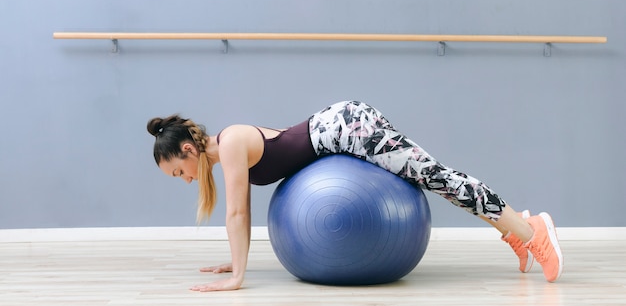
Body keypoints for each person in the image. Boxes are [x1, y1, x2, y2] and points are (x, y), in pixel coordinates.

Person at [147, 100, 563, 292]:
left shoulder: (232, 141)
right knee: (439, 182)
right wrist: (233, 263)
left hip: (348, 128)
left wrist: (239, 277)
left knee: (440, 180)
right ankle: (516, 230)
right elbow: (239, 213)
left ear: (188, 150)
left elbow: (238, 213)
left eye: (178, 171)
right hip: (340, 132)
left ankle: (533, 230)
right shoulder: (228, 148)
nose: (184, 179)